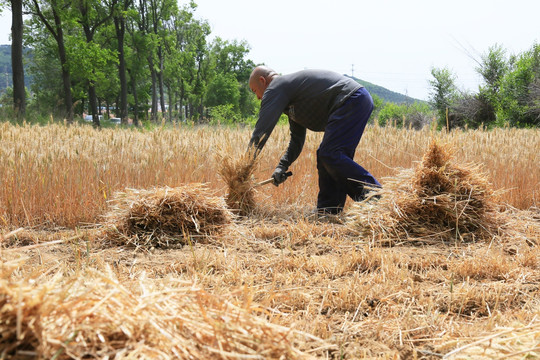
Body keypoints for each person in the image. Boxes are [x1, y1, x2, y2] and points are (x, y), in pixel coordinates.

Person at [248, 66, 381, 215]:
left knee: (330, 153)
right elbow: (297, 141)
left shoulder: (276, 87)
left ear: (262, 81)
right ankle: (329, 211)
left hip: (351, 99)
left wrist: (244, 168)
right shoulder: (289, 95)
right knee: (327, 156)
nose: (258, 97)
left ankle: (377, 199)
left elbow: (261, 132)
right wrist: (281, 166)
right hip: (355, 100)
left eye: (254, 91)